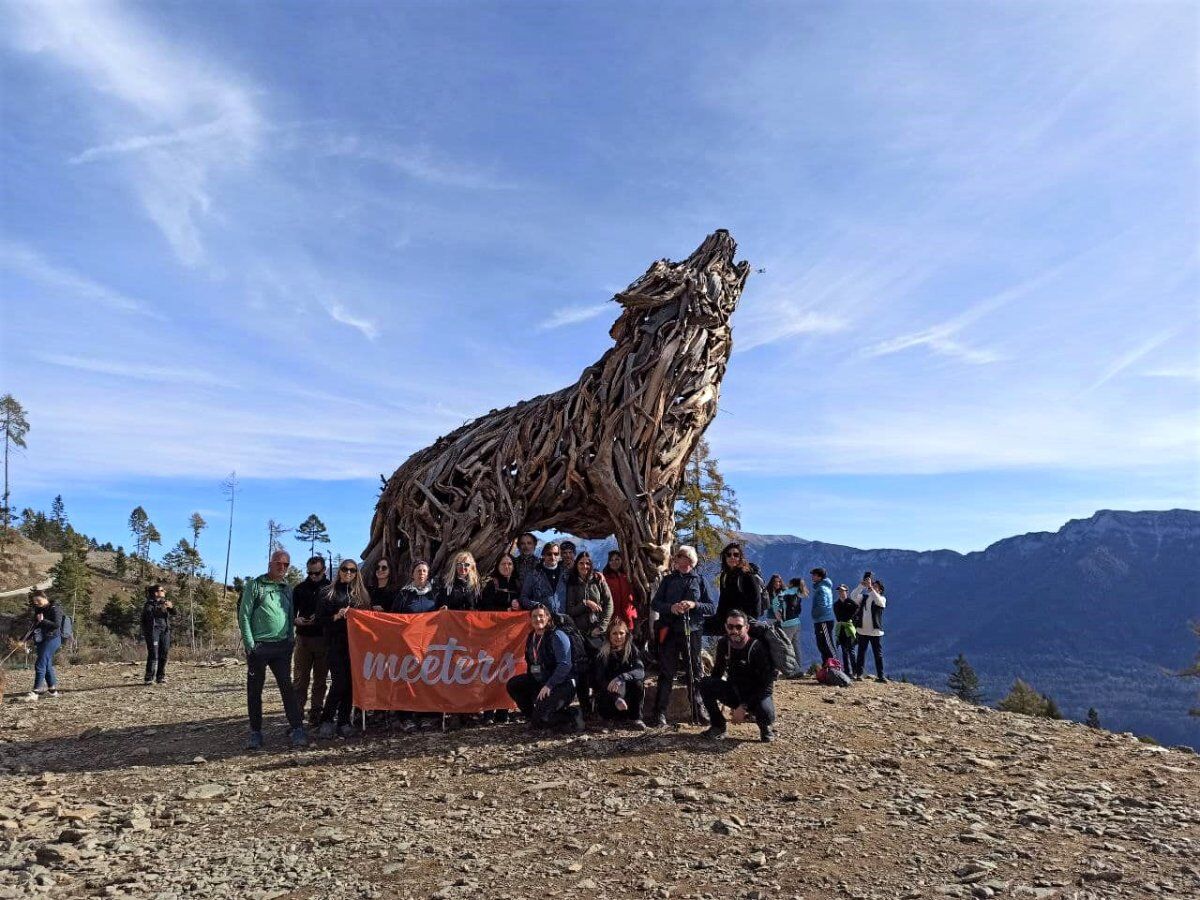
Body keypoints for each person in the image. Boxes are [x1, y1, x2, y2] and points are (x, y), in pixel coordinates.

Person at [239, 549, 307, 749]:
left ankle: (297, 729)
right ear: (270, 563)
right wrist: (250, 644)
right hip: (259, 646)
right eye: (279, 563)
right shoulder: (255, 585)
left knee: (287, 689)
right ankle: (255, 732)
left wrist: (290, 639)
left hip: (282, 647)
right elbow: (244, 615)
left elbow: (289, 614)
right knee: (254, 691)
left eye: (286, 565)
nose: (282, 567)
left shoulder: (286, 588)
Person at [650, 545, 715, 727]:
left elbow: (711, 607)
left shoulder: (700, 580)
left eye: (682, 556)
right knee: (666, 672)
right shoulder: (668, 580)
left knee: (694, 671)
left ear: (690, 560)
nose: (678, 559)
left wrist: (694, 605)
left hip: (692, 630)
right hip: (669, 630)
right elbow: (656, 604)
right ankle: (659, 713)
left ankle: (698, 709)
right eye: (678, 556)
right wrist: (671, 608)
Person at [700, 609, 777, 742]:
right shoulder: (724, 644)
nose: (734, 631)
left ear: (746, 628)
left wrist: (743, 706)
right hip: (734, 690)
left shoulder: (757, 648)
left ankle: (765, 727)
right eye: (730, 627)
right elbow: (717, 672)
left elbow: (766, 685)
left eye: (738, 627)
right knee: (705, 684)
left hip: (756, 694)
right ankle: (718, 726)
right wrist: (717, 695)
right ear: (726, 627)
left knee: (766, 712)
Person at [317, 559, 372, 738]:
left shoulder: (361, 595)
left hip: (355, 646)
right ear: (339, 571)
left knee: (351, 684)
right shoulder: (328, 593)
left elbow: (368, 620)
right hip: (334, 644)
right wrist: (336, 616)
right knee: (339, 682)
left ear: (357, 573)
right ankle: (326, 719)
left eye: (352, 570)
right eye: (344, 569)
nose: (348, 573)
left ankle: (344, 721)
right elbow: (319, 620)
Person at [505, 604, 582, 732]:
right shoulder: (531, 637)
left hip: (561, 683)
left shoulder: (557, 635)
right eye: (534, 616)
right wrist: (534, 679)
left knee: (543, 718)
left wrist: (549, 685)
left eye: (541, 616)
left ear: (548, 618)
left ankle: (573, 714)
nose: (538, 619)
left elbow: (565, 665)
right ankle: (533, 716)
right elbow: (532, 663)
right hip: (542, 680)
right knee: (513, 684)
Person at [565, 551, 613, 714]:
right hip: (579, 634)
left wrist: (602, 626)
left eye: (587, 563)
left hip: (597, 632)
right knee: (582, 671)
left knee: (600, 668)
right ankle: (585, 707)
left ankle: (601, 704)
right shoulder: (571, 583)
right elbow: (569, 609)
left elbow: (608, 604)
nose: (585, 566)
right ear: (576, 565)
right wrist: (586, 603)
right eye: (581, 563)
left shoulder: (598, 580)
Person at [292, 555, 330, 726]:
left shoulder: (330, 588)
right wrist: (296, 620)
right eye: (310, 573)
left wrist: (321, 617)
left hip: (323, 638)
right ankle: (297, 715)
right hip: (303, 638)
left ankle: (316, 713)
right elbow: (291, 613)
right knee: (300, 679)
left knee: (320, 679)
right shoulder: (299, 588)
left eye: (316, 573)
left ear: (324, 570)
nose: (313, 576)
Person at [591, 616, 646, 729]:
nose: (618, 637)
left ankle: (635, 718)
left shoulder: (632, 650)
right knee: (602, 689)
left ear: (626, 634)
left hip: (626, 698)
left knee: (638, 684)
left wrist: (622, 677)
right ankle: (607, 720)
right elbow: (599, 680)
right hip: (609, 697)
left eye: (621, 633)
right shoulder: (602, 653)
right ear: (609, 635)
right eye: (614, 633)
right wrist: (615, 698)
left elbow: (640, 671)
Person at [706, 542, 765, 635]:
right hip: (728, 618)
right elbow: (723, 599)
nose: (732, 557)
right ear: (725, 558)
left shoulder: (747, 576)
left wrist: (749, 624)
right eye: (729, 555)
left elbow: (756, 601)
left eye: (736, 555)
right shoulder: (724, 575)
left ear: (740, 557)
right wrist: (719, 617)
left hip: (743, 621)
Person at [24, 590, 63, 700]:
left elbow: (56, 625)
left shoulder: (55, 608)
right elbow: (34, 626)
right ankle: (52, 690)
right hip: (41, 640)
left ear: (44, 597)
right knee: (46, 664)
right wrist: (24, 639)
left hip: (53, 639)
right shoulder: (38, 609)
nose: (36, 602)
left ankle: (36, 691)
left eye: (37, 600)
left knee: (40, 663)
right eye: (34, 601)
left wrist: (43, 620)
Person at [853, 578, 888, 682]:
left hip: (875, 632)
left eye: (875, 586)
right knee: (861, 653)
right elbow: (853, 597)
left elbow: (880, 602)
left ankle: (880, 676)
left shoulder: (882, 598)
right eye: (872, 585)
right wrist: (861, 586)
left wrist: (870, 588)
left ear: (880, 590)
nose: (872, 586)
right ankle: (859, 674)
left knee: (878, 654)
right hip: (862, 630)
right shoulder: (864, 597)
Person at [140, 584, 175, 685]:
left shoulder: (164, 603)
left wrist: (171, 607)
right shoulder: (149, 604)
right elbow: (149, 614)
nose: (164, 591)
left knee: (164, 654)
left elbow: (175, 613)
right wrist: (161, 608)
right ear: (156, 593)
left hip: (165, 631)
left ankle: (160, 677)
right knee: (153, 654)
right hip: (153, 632)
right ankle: (149, 678)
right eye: (162, 590)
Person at [519, 541, 568, 614]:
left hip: (562, 618)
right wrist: (537, 606)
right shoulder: (533, 575)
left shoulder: (565, 575)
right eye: (549, 554)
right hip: (541, 620)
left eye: (556, 554)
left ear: (560, 556)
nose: (553, 557)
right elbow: (523, 598)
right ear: (543, 555)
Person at [772, 577, 808, 674]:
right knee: (796, 646)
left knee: (786, 647)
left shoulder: (787, 592)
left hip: (787, 624)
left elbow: (775, 601)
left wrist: (776, 612)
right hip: (797, 622)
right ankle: (799, 668)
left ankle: (791, 670)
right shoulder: (799, 593)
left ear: (792, 584)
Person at [601, 549, 637, 630]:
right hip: (612, 620)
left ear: (622, 560)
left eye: (617, 559)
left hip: (630, 618)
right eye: (611, 560)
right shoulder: (604, 579)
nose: (614, 562)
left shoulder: (629, 577)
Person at [809, 567, 836, 664]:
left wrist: (815, 614)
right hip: (820, 620)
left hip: (823, 619)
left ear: (820, 577)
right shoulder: (821, 587)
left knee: (827, 644)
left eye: (814, 575)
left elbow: (822, 605)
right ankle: (827, 666)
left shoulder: (822, 588)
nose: (812, 577)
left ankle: (835, 666)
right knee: (822, 645)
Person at [833, 584, 858, 676]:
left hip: (848, 627)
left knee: (851, 649)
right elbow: (837, 616)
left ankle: (855, 671)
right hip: (841, 628)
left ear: (846, 591)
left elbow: (856, 608)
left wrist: (849, 618)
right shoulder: (836, 604)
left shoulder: (851, 603)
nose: (841, 592)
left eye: (842, 591)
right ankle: (847, 671)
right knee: (844, 650)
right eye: (839, 591)